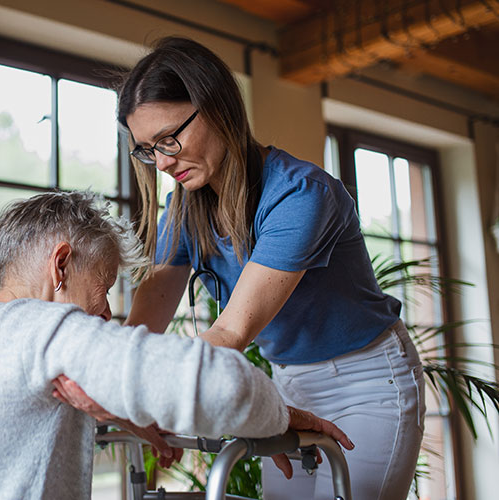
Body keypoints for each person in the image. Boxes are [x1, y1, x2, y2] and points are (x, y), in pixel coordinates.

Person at [60, 37, 424, 500]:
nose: (164, 161)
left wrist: (148, 397)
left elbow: (231, 334)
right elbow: (142, 332)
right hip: (287, 383)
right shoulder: (182, 212)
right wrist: (105, 394)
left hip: (366, 381)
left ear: (218, 108)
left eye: (170, 137)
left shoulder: (299, 195)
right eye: (149, 149)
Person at [0, 191, 352, 500]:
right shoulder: (42, 327)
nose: (105, 316)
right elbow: (225, 387)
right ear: (61, 266)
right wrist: (281, 416)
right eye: (102, 291)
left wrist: (121, 407)